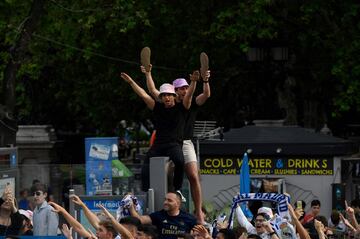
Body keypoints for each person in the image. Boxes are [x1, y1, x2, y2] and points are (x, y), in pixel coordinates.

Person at [141, 64, 210, 223]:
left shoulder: (189, 103)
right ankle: (170, 200)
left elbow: (206, 94)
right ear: (174, 91)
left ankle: (198, 210)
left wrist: (205, 80)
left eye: (186, 87)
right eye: (181, 88)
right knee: (162, 172)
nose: (184, 90)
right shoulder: (167, 101)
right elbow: (152, 91)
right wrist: (148, 73)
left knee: (193, 175)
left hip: (184, 143)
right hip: (167, 142)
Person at [120, 72, 193, 192]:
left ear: (174, 96)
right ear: (161, 98)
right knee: (146, 168)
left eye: (169, 95)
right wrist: (131, 82)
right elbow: (144, 94)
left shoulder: (182, 108)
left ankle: (177, 189)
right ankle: (146, 194)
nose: (167, 98)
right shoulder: (158, 107)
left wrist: (194, 82)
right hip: (159, 145)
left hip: (174, 144)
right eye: (164, 95)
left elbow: (189, 96)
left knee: (180, 161)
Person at [129, 191, 197, 239]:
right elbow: (139, 219)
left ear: (178, 203)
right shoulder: (158, 215)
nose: (165, 202)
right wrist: (130, 205)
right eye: (165, 199)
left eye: (169, 200)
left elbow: (197, 235)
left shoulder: (189, 218)